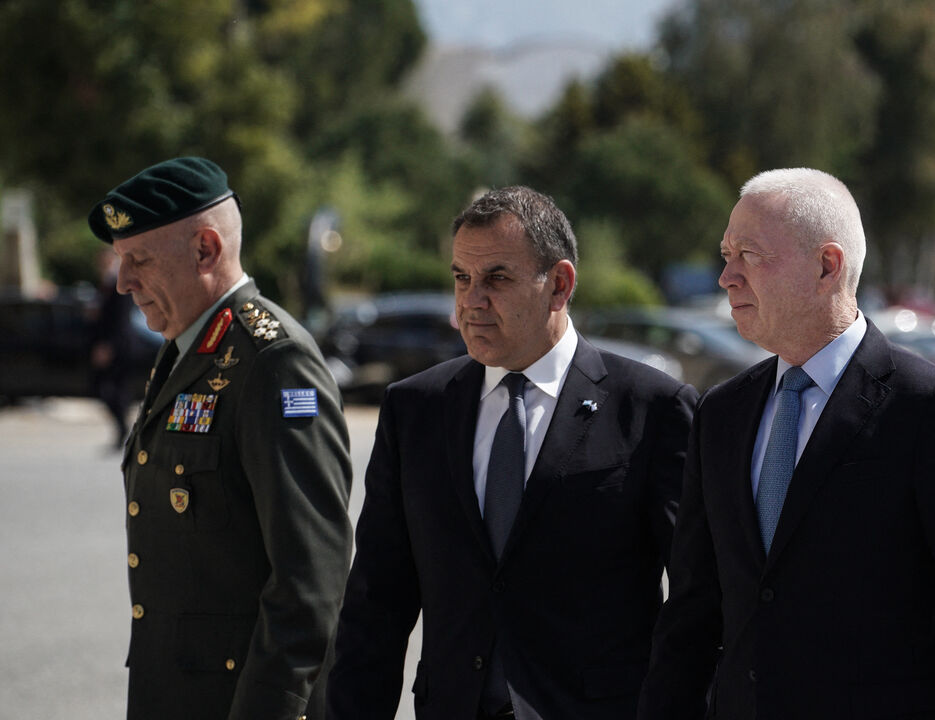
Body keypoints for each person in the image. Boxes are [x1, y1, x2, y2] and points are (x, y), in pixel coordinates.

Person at [639, 168, 935, 719]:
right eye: (726, 254)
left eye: (749, 254)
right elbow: (692, 612)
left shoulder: (933, 408)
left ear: (827, 266)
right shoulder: (722, 412)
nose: (727, 276)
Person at [326, 186, 697, 720]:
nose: (471, 301)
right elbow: (375, 605)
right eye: (461, 278)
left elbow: (695, 605)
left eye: (497, 278)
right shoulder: (416, 409)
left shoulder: (653, 408)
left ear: (559, 285)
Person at [90, 157, 353, 720]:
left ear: (205, 250)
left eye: (138, 260)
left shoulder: (272, 360)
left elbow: (309, 582)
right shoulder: (189, 347)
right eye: (120, 261)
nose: (122, 281)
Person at [89, 248, 141, 447]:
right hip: (106, 343)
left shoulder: (119, 286)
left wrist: (108, 346)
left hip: (118, 345)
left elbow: (120, 320)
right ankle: (122, 428)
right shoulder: (104, 285)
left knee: (115, 389)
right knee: (104, 388)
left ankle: (124, 429)